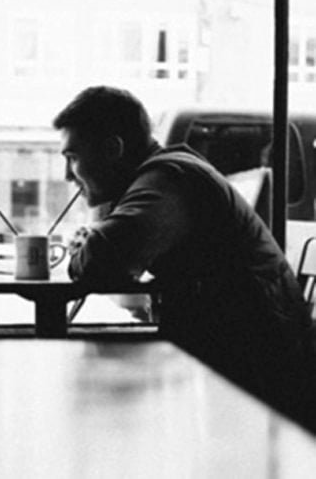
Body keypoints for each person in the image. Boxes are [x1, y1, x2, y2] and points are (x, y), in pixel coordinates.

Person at [53, 86, 315, 419]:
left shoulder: (168, 179)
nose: (67, 174)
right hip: (240, 360)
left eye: (72, 157)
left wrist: (90, 245)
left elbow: (102, 263)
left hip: (256, 379)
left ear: (112, 149)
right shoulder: (168, 174)